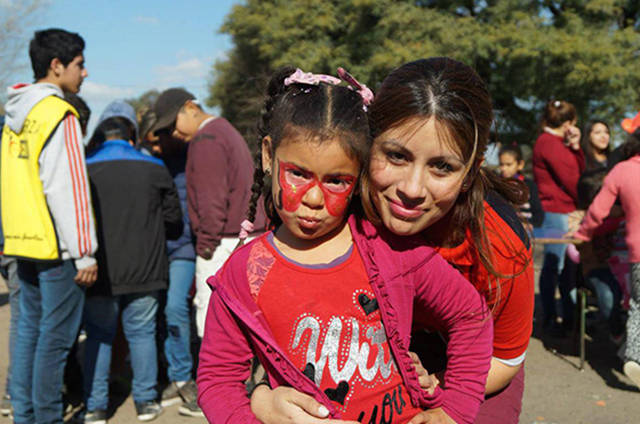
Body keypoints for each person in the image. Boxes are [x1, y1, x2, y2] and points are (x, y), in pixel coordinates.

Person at [197, 66, 495, 424]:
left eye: (336, 181)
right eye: (298, 174)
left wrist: (454, 412)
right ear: (267, 154)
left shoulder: (391, 250)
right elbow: (217, 381)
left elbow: (471, 318)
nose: (313, 199)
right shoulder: (243, 274)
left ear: (359, 175)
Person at [1, 28, 97, 424]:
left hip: (21, 242)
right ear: (56, 66)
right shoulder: (60, 113)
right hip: (58, 248)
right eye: (79, 64)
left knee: (29, 332)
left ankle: (24, 415)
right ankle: (47, 418)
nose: (84, 73)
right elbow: (68, 188)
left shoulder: (14, 117)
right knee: (56, 341)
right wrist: (85, 252)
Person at [79, 101, 182, 423]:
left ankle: (95, 406)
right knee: (142, 333)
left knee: (99, 334)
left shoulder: (84, 168)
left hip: (99, 271)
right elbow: (174, 222)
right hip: (146, 269)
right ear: (132, 133)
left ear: (101, 132)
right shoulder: (154, 168)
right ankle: (146, 401)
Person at [151, 88, 265, 339]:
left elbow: (211, 201)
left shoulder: (206, 139)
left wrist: (205, 246)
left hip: (223, 242)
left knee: (212, 319)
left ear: (190, 108)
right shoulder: (225, 130)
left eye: (172, 123)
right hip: (246, 238)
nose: (173, 132)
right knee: (243, 319)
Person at [139, 109, 203, 417]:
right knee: (160, 314)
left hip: (183, 248)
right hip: (153, 250)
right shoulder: (144, 162)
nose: (155, 148)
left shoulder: (191, 156)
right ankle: (172, 373)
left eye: (158, 141)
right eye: (148, 143)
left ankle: (184, 377)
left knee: (176, 307)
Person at [574, 130, 640, 389]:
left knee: (638, 305)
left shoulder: (622, 170)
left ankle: (633, 354)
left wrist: (583, 233)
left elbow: (598, 210)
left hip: (637, 252)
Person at [533, 99, 585, 337]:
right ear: (568, 123)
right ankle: (551, 317)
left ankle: (567, 316)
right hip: (557, 211)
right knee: (555, 265)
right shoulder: (549, 143)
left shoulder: (553, 142)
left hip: (563, 210)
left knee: (565, 268)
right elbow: (573, 177)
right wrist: (587, 201)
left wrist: (575, 146)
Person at [575, 170, 624, 341]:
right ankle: (618, 333)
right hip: (598, 268)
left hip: (625, 265)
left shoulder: (624, 212)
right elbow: (580, 239)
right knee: (608, 294)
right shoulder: (582, 218)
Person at [498, 143, 544, 229]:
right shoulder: (497, 185)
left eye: (509, 164)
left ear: (520, 164)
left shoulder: (529, 185)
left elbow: (538, 214)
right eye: (501, 164)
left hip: (528, 229)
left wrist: (530, 225)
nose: (504, 169)